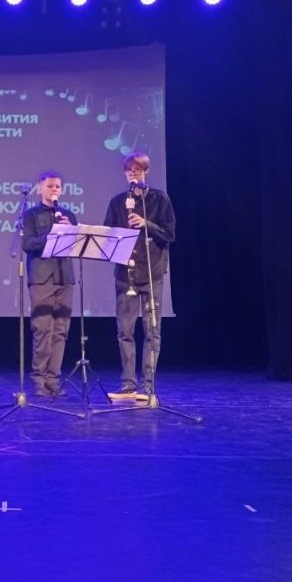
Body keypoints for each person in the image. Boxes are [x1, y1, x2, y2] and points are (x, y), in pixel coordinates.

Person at [104, 152, 176, 403]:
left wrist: (147, 223)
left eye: (137, 169)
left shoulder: (159, 199)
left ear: (145, 171)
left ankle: (147, 386)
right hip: (126, 274)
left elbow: (170, 234)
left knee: (151, 331)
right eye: (129, 170)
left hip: (152, 272)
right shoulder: (117, 202)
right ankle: (128, 384)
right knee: (124, 331)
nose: (132, 173)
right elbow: (108, 235)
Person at [22, 171, 78, 397]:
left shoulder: (68, 215)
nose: (54, 189)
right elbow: (28, 244)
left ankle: (53, 378)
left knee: (61, 330)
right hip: (41, 277)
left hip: (65, 277)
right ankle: (39, 378)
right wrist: (52, 234)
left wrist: (69, 230)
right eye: (50, 186)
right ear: (41, 188)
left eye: (58, 186)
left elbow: (76, 245)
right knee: (42, 329)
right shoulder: (31, 215)